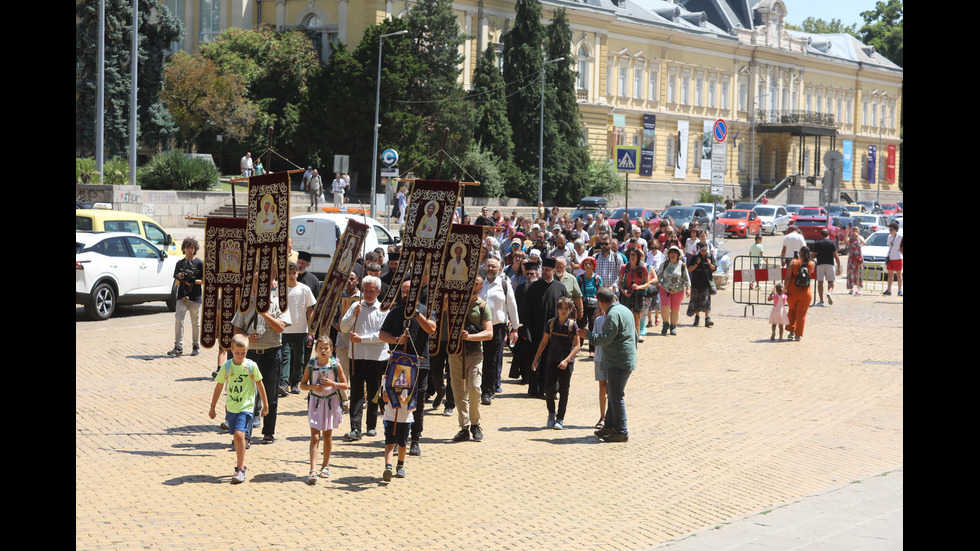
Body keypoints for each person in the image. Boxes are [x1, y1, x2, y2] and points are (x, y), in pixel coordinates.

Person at [380, 279, 436, 457]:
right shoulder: (395, 312)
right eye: (403, 292)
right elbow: (382, 334)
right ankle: (395, 438)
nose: (406, 296)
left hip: (419, 364)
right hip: (398, 364)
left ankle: (415, 439)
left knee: (417, 403)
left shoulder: (425, 310)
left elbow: (431, 329)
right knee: (395, 400)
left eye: (409, 293)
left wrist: (416, 314)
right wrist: (396, 340)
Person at [231, 279, 288, 444]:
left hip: (271, 354)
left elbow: (281, 327)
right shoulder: (246, 305)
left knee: (270, 395)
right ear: (254, 285)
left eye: (264, 282)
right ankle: (245, 435)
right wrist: (247, 338)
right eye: (257, 282)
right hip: (250, 355)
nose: (260, 285)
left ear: (271, 285)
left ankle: (268, 432)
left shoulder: (279, 304)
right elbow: (237, 328)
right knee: (247, 395)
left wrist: (265, 314)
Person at [577, 288, 636, 443]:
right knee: (612, 393)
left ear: (601, 303)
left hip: (617, 361)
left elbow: (606, 339)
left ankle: (621, 431)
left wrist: (588, 335)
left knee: (616, 396)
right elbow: (635, 335)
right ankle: (609, 425)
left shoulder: (613, 314)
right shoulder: (625, 310)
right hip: (625, 358)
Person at [209, 334, 269, 484]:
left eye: (243, 353)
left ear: (247, 351)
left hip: (247, 406)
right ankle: (241, 464)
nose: (240, 356)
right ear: (231, 350)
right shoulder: (227, 366)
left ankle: (240, 468)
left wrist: (265, 405)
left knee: (239, 434)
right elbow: (219, 386)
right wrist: (212, 406)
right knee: (236, 437)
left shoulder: (251, 366)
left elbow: (260, 385)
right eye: (237, 353)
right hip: (232, 406)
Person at [339, 276, 389, 441]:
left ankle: (372, 425)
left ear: (378, 291)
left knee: (374, 392)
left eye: (371, 291)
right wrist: (353, 315)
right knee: (356, 393)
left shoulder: (384, 309)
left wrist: (362, 339)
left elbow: (382, 335)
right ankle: (355, 428)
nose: (368, 294)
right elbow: (343, 327)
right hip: (357, 356)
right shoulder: (355, 305)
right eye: (366, 290)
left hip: (376, 357)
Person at [444, 275, 493, 442]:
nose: (472, 286)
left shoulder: (483, 307)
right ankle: (464, 427)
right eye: (469, 283)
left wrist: (470, 337)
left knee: (474, 388)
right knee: (458, 391)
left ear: (480, 287)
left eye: (476, 284)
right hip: (455, 353)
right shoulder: (454, 303)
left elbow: (489, 333)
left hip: (474, 354)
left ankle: (475, 423)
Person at [299, 336, 348, 484]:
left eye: (326, 348)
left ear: (331, 349)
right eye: (320, 348)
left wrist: (333, 383)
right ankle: (312, 469)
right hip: (316, 402)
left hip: (330, 401)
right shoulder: (312, 364)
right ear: (316, 349)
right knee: (314, 435)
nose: (323, 350)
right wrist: (313, 387)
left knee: (327, 435)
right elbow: (302, 384)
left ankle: (325, 466)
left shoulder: (335, 365)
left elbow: (345, 385)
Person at [531, 297, 580, 430]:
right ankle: (551, 413)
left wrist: (567, 360)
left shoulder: (572, 325)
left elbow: (577, 346)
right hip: (551, 359)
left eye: (566, 308)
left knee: (564, 390)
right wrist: (536, 358)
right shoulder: (551, 323)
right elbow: (544, 341)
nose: (563, 311)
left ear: (570, 310)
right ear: (557, 309)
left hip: (566, 362)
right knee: (548, 388)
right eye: (561, 308)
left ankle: (560, 418)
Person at [479, 258, 520, 406]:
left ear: (499, 268)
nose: (490, 269)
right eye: (488, 266)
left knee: (491, 360)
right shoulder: (479, 283)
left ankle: (488, 391)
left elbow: (512, 306)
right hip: (478, 328)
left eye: (493, 267)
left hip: (496, 327)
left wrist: (515, 328)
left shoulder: (504, 285)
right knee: (476, 358)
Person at [281, 262, 316, 396]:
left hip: (301, 329)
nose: (291, 276)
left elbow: (310, 310)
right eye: (288, 273)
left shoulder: (304, 289)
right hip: (285, 329)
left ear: (297, 274)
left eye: (293, 273)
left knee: (299, 356)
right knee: (285, 355)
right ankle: (284, 382)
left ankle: (295, 382)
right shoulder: (281, 289)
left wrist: (311, 329)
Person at [169, 237, 204, 357]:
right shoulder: (179, 264)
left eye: (193, 248)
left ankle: (196, 346)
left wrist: (193, 281)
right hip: (182, 296)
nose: (190, 250)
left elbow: (205, 281)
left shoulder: (200, 263)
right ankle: (178, 346)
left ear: (195, 249)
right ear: (184, 248)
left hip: (195, 297)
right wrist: (180, 277)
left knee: (196, 323)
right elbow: (177, 284)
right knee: (179, 321)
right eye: (188, 247)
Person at [380, 371, 413, 481]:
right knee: (390, 443)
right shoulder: (388, 379)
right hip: (390, 416)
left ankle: (400, 465)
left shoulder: (411, 380)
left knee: (402, 444)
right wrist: (393, 392)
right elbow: (384, 398)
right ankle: (388, 467)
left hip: (405, 418)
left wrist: (404, 401)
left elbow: (414, 402)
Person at [619, 247, 653, 341]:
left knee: (636, 317)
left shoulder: (643, 268)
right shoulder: (624, 267)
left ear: (638, 256)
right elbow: (619, 283)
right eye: (631, 254)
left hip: (638, 295)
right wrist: (624, 292)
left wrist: (638, 287)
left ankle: (636, 337)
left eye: (634, 254)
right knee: (625, 317)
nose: (632, 256)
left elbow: (647, 284)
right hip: (626, 296)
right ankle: (626, 337)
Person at [657, 245, 691, 336]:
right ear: (668, 254)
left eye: (675, 253)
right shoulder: (664, 264)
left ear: (678, 254)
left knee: (675, 309)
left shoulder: (682, 265)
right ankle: (665, 324)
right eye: (671, 253)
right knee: (665, 307)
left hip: (678, 290)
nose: (673, 254)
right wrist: (656, 285)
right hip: (665, 289)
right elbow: (658, 276)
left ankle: (673, 327)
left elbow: (686, 278)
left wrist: (688, 289)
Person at [784, 246, 815, 341]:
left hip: (793, 291)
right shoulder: (811, 263)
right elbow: (811, 273)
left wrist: (785, 289)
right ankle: (798, 335)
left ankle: (791, 332)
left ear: (800, 253)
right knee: (801, 314)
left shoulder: (793, 262)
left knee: (792, 311)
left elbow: (788, 278)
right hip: (806, 292)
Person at [576, 257, 602, 357]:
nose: (588, 266)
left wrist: (601, 308)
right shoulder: (580, 278)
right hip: (582, 303)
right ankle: (578, 346)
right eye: (586, 264)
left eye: (590, 264)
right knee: (580, 324)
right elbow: (577, 292)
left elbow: (599, 293)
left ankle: (592, 349)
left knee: (593, 324)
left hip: (594, 304)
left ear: (593, 266)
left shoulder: (597, 278)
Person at [687, 241, 716, 327]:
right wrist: (697, 264)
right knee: (696, 300)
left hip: (706, 281)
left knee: (707, 300)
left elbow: (714, 268)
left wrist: (710, 264)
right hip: (696, 281)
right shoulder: (695, 257)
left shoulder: (710, 256)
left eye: (705, 250)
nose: (704, 252)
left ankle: (707, 318)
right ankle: (697, 317)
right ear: (700, 249)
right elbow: (690, 269)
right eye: (702, 250)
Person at [812, 228, 841, 306]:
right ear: (828, 235)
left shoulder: (817, 243)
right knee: (831, 282)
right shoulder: (832, 243)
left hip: (820, 264)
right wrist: (838, 267)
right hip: (830, 264)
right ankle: (829, 292)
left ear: (821, 235)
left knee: (820, 283)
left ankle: (821, 301)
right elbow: (836, 256)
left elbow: (813, 255)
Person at [592, 303, 608, 431]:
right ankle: (602, 417)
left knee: (612, 390)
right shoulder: (598, 320)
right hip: (600, 357)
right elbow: (593, 338)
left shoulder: (617, 319)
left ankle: (612, 416)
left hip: (613, 359)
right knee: (602, 387)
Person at [883, 222, 903, 296]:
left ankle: (900, 290)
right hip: (890, 258)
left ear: (896, 230)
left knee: (899, 274)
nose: (890, 231)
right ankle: (889, 290)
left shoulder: (900, 237)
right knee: (890, 274)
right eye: (889, 229)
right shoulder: (889, 237)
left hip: (898, 258)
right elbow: (889, 245)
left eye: (891, 229)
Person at [846, 226, 866, 295]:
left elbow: (864, 243)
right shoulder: (851, 238)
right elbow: (846, 240)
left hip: (859, 256)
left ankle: (859, 288)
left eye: (856, 231)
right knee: (851, 272)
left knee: (859, 272)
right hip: (852, 256)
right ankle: (851, 288)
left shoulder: (860, 237)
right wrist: (847, 232)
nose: (855, 232)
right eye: (854, 231)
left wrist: (858, 237)